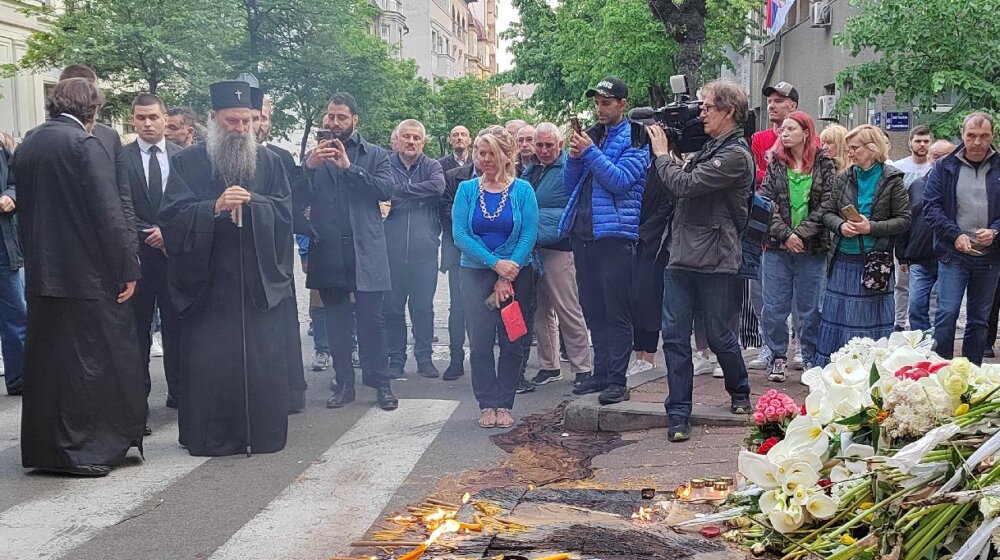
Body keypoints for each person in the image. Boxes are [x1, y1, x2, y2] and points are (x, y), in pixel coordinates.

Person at [160, 80, 300, 456]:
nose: (240, 129)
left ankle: (263, 433)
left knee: (261, 364)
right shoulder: (187, 162)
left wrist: (255, 203)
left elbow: (286, 214)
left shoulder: (270, 162)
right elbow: (172, 217)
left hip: (256, 283)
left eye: (246, 121)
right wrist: (213, 207)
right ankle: (211, 437)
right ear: (213, 119)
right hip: (210, 286)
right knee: (211, 365)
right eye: (231, 121)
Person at [15, 77, 144, 476]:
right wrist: (128, 266)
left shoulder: (30, 142)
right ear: (92, 110)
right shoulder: (84, 145)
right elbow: (108, 214)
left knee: (48, 365)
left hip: (42, 272)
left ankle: (45, 450)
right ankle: (85, 449)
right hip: (86, 275)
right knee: (92, 364)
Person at [648, 79, 754, 443]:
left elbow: (684, 185)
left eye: (707, 107)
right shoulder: (712, 146)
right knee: (675, 337)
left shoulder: (737, 154)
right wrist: (672, 155)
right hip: (680, 254)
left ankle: (739, 391)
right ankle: (678, 413)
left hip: (714, 256)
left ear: (729, 111)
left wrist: (662, 154)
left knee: (719, 334)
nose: (701, 113)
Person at [302, 92, 398, 411]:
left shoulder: (375, 154)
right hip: (329, 251)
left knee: (373, 321)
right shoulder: (313, 155)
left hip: (365, 251)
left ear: (354, 119)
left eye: (341, 116)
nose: (334, 122)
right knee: (337, 322)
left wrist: (348, 167)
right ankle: (344, 383)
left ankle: (381, 383)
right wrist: (308, 167)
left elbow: (385, 189)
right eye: (330, 116)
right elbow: (296, 195)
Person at [559, 76, 648, 405]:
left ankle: (617, 379)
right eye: (596, 102)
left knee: (616, 311)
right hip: (584, 234)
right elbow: (570, 185)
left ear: (622, 104)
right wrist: (573, 157)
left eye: (606, 102)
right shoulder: (592, 137)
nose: (599, 108)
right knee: (593, 308)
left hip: (616, 236)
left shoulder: (637, 137)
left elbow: (620, 181)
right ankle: (599, 372)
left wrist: (591, 152)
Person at [452, 126, 538, 429]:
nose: (485, 159)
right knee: (480, 341)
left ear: (506, 155)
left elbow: (529, 233)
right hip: (475, 274)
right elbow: (460, 234)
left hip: (517, 275)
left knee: (513, 339)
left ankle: (505, 402)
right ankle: (487, 402)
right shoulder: (466, 190)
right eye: (481, 152)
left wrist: (509, 268)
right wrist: (494, 264)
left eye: (491, 153)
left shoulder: (523, 190)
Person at [816, 124, 911, 365]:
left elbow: (904, 219)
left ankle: (870, 370)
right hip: (843, 258)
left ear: (872, 148)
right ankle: (835, 369)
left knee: (868, 317)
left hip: (875, 261)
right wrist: (840, 225)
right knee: (839, 316)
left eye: (854, 148)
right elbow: (826, 213)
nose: (849, 153)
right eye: (848, 148)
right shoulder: (843, 177)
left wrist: (872, 227)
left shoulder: (892, 179)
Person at [759, 111, 837, 381]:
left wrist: (800, 235)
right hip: (778, 246)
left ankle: (810, 356)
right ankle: (777, 356)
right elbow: (765, 202)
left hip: (811, 247)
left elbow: (828, 203)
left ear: (807, 132)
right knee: (774, 307)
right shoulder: (775, 162)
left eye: (791, 128)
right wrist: (785, 235)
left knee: (810, 308)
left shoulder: (825, 163)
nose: (784, 132)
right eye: (783, 129)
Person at [924, 112, 1000, 365]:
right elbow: (931, 207)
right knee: (947, 313)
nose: (977, 142)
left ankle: (970, 374)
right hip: (954, 253)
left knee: (980, 318)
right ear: (962, 134)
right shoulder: (945, 166)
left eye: (984, 136)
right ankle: (941, 369)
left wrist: (996, 230)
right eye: (971, 136)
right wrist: (954, 234)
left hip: (990, 255)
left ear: (993, 135)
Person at [124, 93, 183, 414]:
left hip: (174, 259)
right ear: (133, 120)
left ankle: (180, 394)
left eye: (153, 117)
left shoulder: (182, 157)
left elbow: (187, 203)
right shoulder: (121, 158)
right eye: (141, 118)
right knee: (137, 333)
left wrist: (169, 232)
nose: (147, 123)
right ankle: (137, 402)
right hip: (137, 259)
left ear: (164, 119)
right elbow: (118, 206)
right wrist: (147, 232)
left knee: (177, 329)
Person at [522, 123, 593, 387]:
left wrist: (534, 225)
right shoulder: (532, 170)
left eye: (548, 145)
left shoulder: (567, 168)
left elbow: (569, 208)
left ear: (559, 145)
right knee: (540, 312)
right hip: (534, 250)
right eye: (539, 145)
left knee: (568, 309)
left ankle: (582, 367)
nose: (543, 150)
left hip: (559, 249)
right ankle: (549, 365)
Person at [251, 88, 307, 413]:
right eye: (252, 118)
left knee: (281, 325)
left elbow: (293, 208)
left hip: (275, 257)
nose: (257, 124)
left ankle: (287, 393)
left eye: (262, 118)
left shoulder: (281, 159)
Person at [746, 81, 803, 370]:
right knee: (763, 291)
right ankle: (768, 345)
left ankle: (800, 344)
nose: (772, 106)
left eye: (779, 101)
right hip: (765, 220)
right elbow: (755, 175)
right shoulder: (760, 138)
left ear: (793, 105)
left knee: (799, 292)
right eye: (770, 101)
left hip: (797, 223)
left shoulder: (804, 136)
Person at [384, 119, 445, 379]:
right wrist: (415, 196)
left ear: (423, 141)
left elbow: (437, 188)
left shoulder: (432, 166)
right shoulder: (385, 164)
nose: (411, 142)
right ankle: (396, 359)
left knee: (423, 308)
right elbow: (382, 190)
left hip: (424, 252)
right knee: (393, 309)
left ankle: (424, 358)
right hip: (391, 251)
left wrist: (400, 194)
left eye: (416, 138)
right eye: (406, 137)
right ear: (397, 140)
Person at [897, 139, 955, 332]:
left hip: (948, 257)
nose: (939, 161)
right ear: (929, 158)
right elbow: (907, 220)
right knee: (916, 305)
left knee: (944, 309)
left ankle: (939, 344)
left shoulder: (957, 186)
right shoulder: (917, 186)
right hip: (919, 257)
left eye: (944, 157)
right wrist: (902, 254)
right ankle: (921, 344)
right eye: (935, 156)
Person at [890, 125, 935, 332]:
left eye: (926, 141)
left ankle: (928, 329)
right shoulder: (899, 168)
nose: (922, 145)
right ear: (910, 143)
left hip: (929, 241)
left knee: (927, 292)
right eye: (918, 140)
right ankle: (899, 322)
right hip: (907, 234)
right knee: (902, 283)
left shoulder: (934, 169)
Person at [440, 154, 477, 381]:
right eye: (481, 152)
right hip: (458, 252)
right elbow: (444, 211)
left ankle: (491, 360)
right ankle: (456, 359)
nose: (486, 158)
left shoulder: (510, 178)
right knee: (458, 307)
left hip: (495, 254)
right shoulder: (454, 178)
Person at [0, 133, 25, 396]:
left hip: (4, 248)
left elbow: (16, 182)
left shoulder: (2, 150)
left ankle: (19, 378)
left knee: (16, 315)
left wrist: (11, 196)